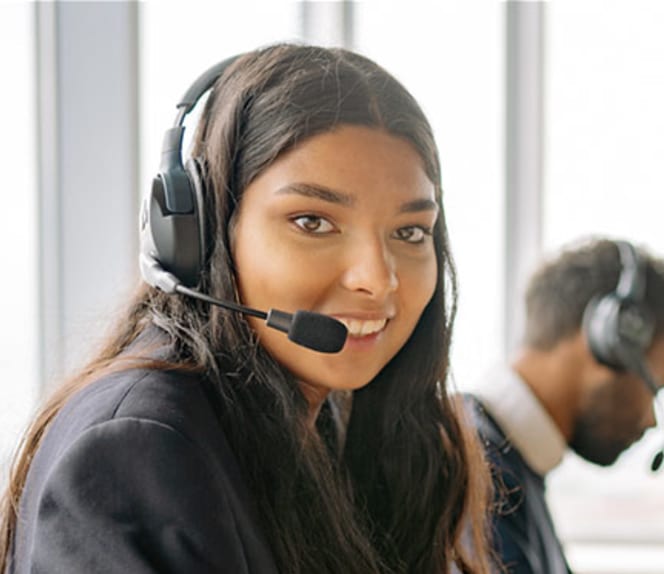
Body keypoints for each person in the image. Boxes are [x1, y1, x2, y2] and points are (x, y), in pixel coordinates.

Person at [0, 43, 494, 574]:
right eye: (312, 222)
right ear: (203, 232)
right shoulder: (139, 449)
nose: (377, 279)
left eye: (410, 232)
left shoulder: (328, 427)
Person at [466, 237, 664, 574]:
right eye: (654, 386)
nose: (651, 420)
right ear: (607, 343)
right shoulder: (473, 478)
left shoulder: (509, 465)